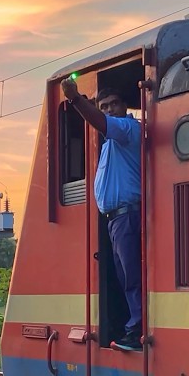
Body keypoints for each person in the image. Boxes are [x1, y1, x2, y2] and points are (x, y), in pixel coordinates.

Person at [60, 77, 143, 351]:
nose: (109, 109)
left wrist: (75, 99)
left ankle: (137, 328)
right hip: (115, 219)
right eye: (104, 106)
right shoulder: (109, 144)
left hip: (127, 215)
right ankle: (132, 326)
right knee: (124, 275)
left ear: (124, 106)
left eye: (113, 104)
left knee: (131, 275)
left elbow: (100, 122)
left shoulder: (128, 129)